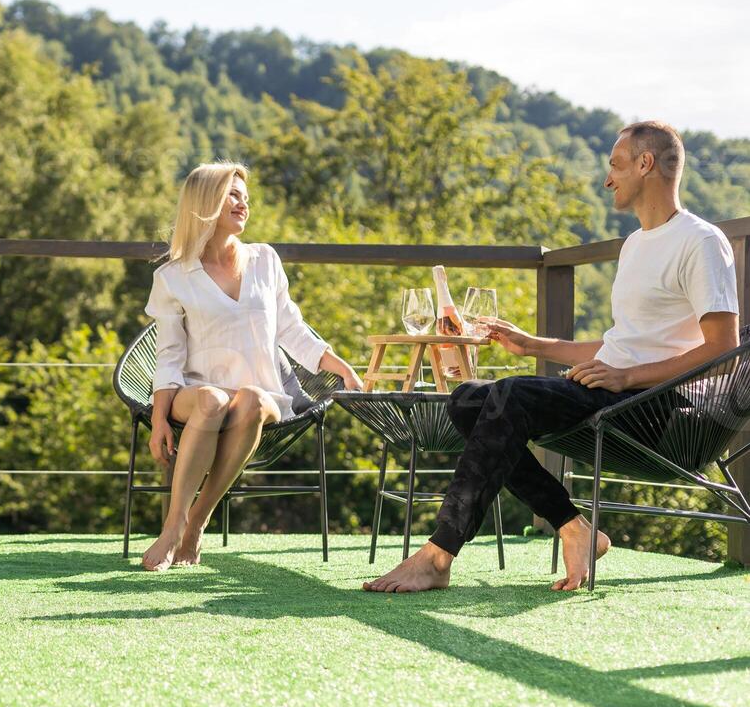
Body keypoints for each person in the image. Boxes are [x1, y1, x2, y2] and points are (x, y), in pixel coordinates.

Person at [364, 121, 740, 593]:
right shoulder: (634, 245)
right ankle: (573, 527)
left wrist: (627, 378)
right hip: (613, 391)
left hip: (656, 407)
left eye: (615, 165)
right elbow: (618, 343)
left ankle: (439, 554)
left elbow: (723, 351)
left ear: (646, 164)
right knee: (466, 400)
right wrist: (534, 345)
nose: (608, 179)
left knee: (509, 395)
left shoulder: (701, 242)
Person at [142, 162, 362, 571]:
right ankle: (173, 526)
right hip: (196, 395)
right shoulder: (173, 276)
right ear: (205, 202)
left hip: (260, 398)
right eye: (233, 194)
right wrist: (158, 420)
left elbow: (292, 331)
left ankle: (196, 524)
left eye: (245, 196)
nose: (243, 203)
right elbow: (168, 355)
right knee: (210, 399)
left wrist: (340, 367)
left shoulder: (265, 260)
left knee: (253, 400)